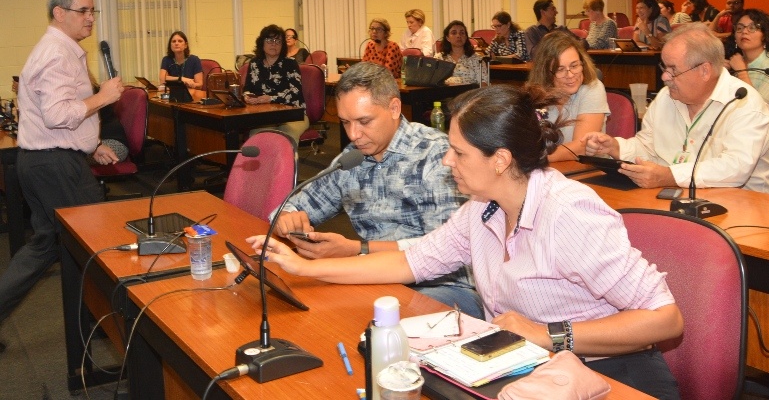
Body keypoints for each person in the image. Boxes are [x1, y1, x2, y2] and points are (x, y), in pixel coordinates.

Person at [249, 83, 684, 400]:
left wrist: (548, 334)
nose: (446, 159)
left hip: (612, 377)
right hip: (531, 369)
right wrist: (305, 268)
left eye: (458, 152)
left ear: (500, 160)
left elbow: (666, 320)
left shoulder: (567, 212)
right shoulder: (484, 205)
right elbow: (412, 261)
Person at [252, 61, 481, 317]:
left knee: (372, 320)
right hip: (373, 274)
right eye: (345, 122)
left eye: (364, 121)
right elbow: (293, 205)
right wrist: (288, 217)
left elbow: (445, 251)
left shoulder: (436, 157)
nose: (353, 134)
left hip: (443, 286)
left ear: (394, 108)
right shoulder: (353, 158)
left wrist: (358, 249)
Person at [0, 0, 124, 345]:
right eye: (83, 11)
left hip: (46, 162)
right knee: (93, 243)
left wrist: (92, 144)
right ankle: (101, 325)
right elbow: (57, 115)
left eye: (92, 11)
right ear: (59, 13)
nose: (90, 19)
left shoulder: (62, 49)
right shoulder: (56, 53)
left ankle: (92, 321)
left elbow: (61, 114)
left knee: (46, 246)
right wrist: (103, 97)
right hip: (55, 167)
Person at [584, 23, 769, 193]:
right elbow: (648, 146)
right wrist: (615, 147)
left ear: (704, 71)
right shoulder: (667, 97)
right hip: (678, 199)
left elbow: (735, 168)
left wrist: (669, 176)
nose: (664, 77)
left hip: (744, 209)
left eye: (673, 70)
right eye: (664, 67)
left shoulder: (744, 104)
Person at [529, 32, 609, 162]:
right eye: (560, 69)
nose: (570, 75)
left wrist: (537, 159)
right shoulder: (538, 95)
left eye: (574, 66)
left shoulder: (593, 88)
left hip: (588, 170)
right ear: (545, 73)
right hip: (551, 171)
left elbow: (581, 146)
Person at [242, 25, 309, 145]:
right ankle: (265, 164)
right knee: (258, 137)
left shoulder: (290, 63)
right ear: (261, 43)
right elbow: (247, 88)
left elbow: (295, 91)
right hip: (265, 116)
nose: (274, 44)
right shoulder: (254, 64)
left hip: (293, 114)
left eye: (278, 41)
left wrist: (270, 98)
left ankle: (287, 164)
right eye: (270, 40)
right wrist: (247, 96)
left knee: (287, 136)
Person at [727, 9, 769, 109]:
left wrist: (741, 72)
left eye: (752, 28)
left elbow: (759, 107)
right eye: (739, 28)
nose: (744, 32)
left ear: (764, 35)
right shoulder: (732, 63)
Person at [434, 20, 483, 85]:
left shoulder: (476, 59)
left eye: (462, 33)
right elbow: (434, 82)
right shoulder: (439, 58)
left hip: (470, 93)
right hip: (446, 93)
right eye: (454, 33)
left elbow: (483, 82)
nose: (458, 36)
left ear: (466, 37)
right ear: (447, 38)